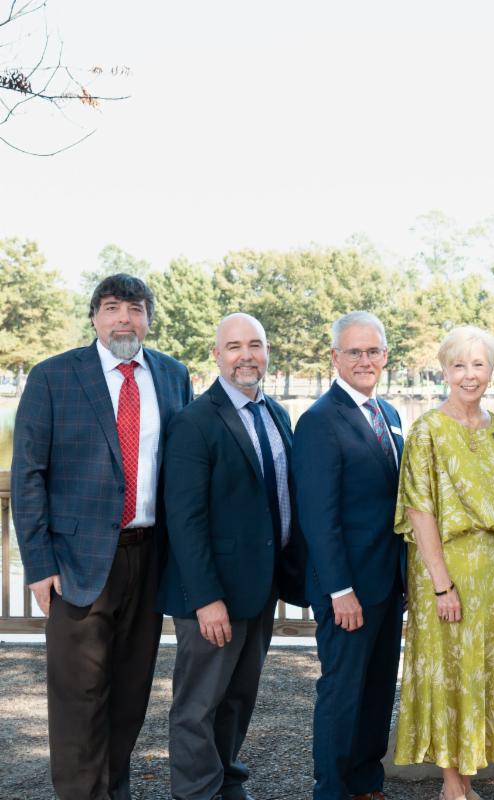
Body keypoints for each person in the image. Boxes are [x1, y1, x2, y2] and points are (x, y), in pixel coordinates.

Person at [11, 274, 192, 800]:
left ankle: (114, 790)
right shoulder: (54, 377)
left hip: (149, 557)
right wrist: (39, 563)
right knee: (79, 698)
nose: (123, 319)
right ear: (94, 317)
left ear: (149, 319)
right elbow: (28, 475)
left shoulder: (172, 375)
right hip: (75, 563)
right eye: (111, 308)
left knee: (131, 693)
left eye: (134, 309)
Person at [159, 312, 308, 800]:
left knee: (239, 697)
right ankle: (196, 793)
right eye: (235, 346)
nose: (246, 355)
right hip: (214, 591)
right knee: (198, 703)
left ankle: (226, 780)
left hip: (259, 585)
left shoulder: (276, 414)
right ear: (217, 355)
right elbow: (185, 520)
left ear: (267, 352)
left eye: (255, 344)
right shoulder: (194, 422)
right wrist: (206, 598)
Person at [392, 325, 494, 800]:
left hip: (491, 568)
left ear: (491, 370)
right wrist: (442, 584)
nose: (469, 375)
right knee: (450, 669)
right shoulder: (427, 429)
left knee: (481, 670)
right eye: (459, 365)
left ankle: (466, 780)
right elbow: (419, 509)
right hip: (444, 565)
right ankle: (452, 785)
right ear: (445, 369)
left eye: (479, 364)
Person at [294, 311, 406, 800]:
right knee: (342, 694)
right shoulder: (319, 421)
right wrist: (340, 590)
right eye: (354, 352)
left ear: (385, 356)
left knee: (379, 690)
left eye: (373, 351)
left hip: (388, 582)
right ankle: (333, 790)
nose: (365, 360)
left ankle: (366, 781)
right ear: (335, 357)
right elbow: (319, 518)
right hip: (348, 588)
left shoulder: (391, 415)